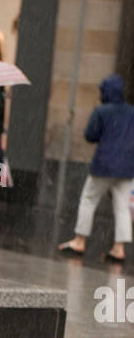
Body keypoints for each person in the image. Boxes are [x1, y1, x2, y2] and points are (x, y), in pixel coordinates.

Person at [58, 74, 134, 265]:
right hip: (126, 166)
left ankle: (80, 240)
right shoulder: (131, 112)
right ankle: (119, 248)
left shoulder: (101, 111)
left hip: (104, 164)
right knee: (122, 207)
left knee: (89, 199)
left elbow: (90, 135)